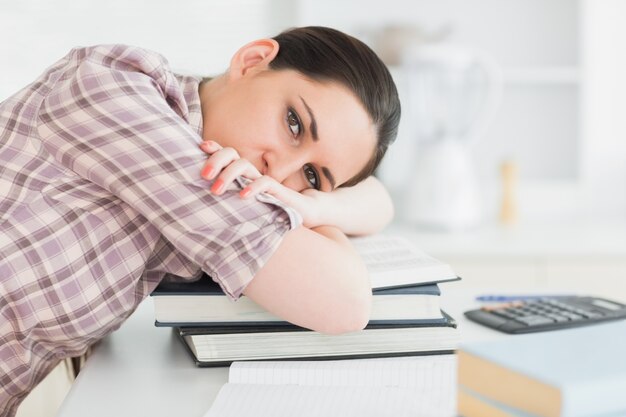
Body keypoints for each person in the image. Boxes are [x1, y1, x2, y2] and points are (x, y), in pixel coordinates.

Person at [0, 26, 400, 415]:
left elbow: (379, 202)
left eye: (312, 174)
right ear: (253, 60)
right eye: (293, 123)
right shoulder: (118, 89)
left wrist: (313, 206)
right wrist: (307, 203)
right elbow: (345, 304)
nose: (277, 171)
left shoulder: (209, 188)